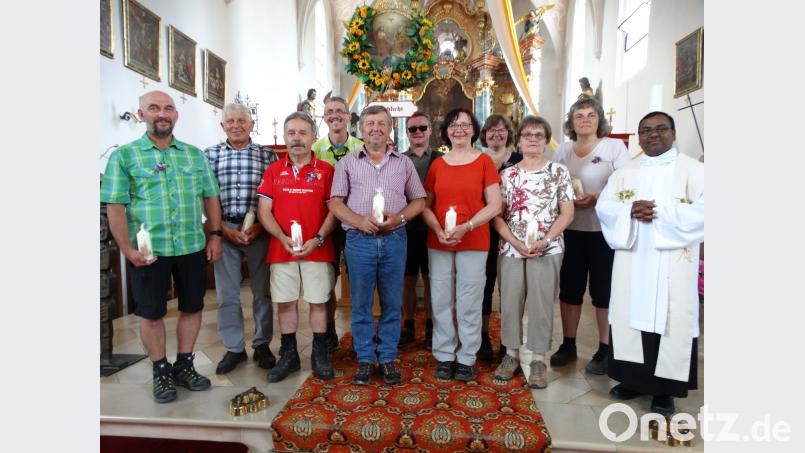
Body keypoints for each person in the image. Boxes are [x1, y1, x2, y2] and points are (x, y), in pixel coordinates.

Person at [100, 91, 222, 403]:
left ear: (176, 115)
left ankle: (184, 364)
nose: (162, 113)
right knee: (151, 313)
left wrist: (215, 234)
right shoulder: (124, 156)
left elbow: (210, 196)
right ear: (141, 114)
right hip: (149, 250)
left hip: (191, 245)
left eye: (168, 108)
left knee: (193, 306)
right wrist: (127, 250)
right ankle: (160, 369)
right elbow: (115, 206)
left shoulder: (194, 155)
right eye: (154, 108)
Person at [596, 111, 704, 416]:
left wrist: (660, 214)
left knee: (672, 318)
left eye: (660, 129)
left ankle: (665, 391)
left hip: (672, 263)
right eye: (646, 131)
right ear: (639, 136)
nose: (653, 135)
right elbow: (605, 207)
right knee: (630, 313)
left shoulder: (694, 171)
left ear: (673, 133)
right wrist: (630, 210)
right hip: (634, 257)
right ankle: (633, 381)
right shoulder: (625, 172)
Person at [328, 105, 426, 385]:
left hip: (395, 239)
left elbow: (419, 199)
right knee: (360, 304)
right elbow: (335, 201)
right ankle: (364, 359)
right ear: (361, 129)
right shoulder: (348, 162)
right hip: (360, 240)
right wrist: (359, 221)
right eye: (370, 123)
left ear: (390, 128)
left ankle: (387, 357)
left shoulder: (403, 163)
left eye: (381, 124)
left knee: (392, 304)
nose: (375, 129)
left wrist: (401, 218)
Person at [549, 98, 631, 375]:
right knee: (570, 289)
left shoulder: (613, 148)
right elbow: (552, 184)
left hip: (603, 232)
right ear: (571, 121)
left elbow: (627, 184)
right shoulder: (562, 149)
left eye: (590, 115)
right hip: (571, 230)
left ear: (599, 120)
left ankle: (605, 348)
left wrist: (598, 197)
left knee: (603, 291)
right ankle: (568, 344)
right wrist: (567, 199)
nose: (585, 120)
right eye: (579, 115)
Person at [492, 116, 574, 389]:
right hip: (512, 247)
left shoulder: (559, 172)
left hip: (547, 248)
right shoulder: (507, 174)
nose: (533, 140)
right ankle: (511, 354)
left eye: (539, 135)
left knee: (541, 302)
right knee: (511, 300)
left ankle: (539, 359)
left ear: (546, 140)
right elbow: (497, 216)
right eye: (528, 135)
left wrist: (547, 239)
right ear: (519, 141)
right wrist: (514, 241)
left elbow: (567, 212)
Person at [421, 108, 502, 382]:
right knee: (441, 298)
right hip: (440, 240)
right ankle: (444, 354)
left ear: (474, 129)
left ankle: (467, 356)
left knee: (469, 299)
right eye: (454, 124)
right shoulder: (438, 165)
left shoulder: (484, 162)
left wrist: (467, 226)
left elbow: (495, 205)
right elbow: (425, 206)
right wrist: (437, 227)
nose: (459, 129)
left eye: (465, 124)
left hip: (474, 240)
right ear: (446, 130)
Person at [257, 112, 338, 382]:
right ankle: (289, 356)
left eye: (303, 133)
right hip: (283, 250)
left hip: (318, 249)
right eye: (291, 133)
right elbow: (264, 211)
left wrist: (318, 238)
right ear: (285, 137)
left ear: (314, 137)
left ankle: (319, 354)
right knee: (285, 303)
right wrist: (281, 238)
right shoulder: (273, 170)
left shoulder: (327, 171)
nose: (297, 138)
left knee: (318, 302)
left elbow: (334, 210)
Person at [204, 103, 277, 375]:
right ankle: (234, 348)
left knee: (262, 292)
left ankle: (261, 344)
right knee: (227, 295)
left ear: (251, 125)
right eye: (230, 121)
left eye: (242, 121)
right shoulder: (209, 155)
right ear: (222, 126)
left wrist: (259, 225)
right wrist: (221, 228)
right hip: (223, 230)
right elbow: (205, 197)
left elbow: (274, 196)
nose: (236, 125)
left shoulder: (266, 156)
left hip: (258, 229)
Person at [311, 96, 365, 352]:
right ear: (324, 118)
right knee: (326, 280)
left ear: (349, 117)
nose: (335, 115)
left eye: (340, 111)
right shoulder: (314, 150)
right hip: (324, 224)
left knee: (358, 280)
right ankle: (329, 330)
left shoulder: (362, 148)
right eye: (330, 112)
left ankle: (360, 331)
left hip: (355, 223)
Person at [477, 114, 522, 362]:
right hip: (484, 229)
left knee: (510, 288)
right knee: (484, 284)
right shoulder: (479, 159)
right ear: (485, 134)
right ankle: (483, 336)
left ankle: (508, 340)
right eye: (491, 131)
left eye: (501, 130)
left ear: (509, 133)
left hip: (512, 230)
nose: (496, 134)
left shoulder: (519, 159)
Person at [400, 112, 443, 348]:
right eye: (412, 129)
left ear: (430, 130)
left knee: (430, 278)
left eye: (422, 128)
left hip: (432, 226)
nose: (417, 132)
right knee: (406, 279)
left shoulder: (441, 159)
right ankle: (407, 324)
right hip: (405, 226)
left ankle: (430, 324)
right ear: (407, 132)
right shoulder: (397, 159)